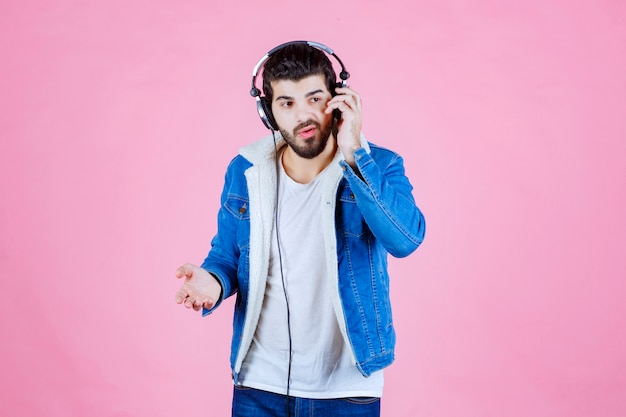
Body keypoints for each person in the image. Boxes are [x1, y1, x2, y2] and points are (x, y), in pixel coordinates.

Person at [174, 41, 426, 417]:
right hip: (259, 386)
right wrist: (213, 283)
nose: (303, 115)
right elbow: (227, 257)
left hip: (347, 389)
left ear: (339, 99)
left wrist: (356, 152)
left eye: (314, 98)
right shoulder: (246, 171)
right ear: (268, 112)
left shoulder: (379, 164)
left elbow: (405, 240)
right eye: (287, 103)